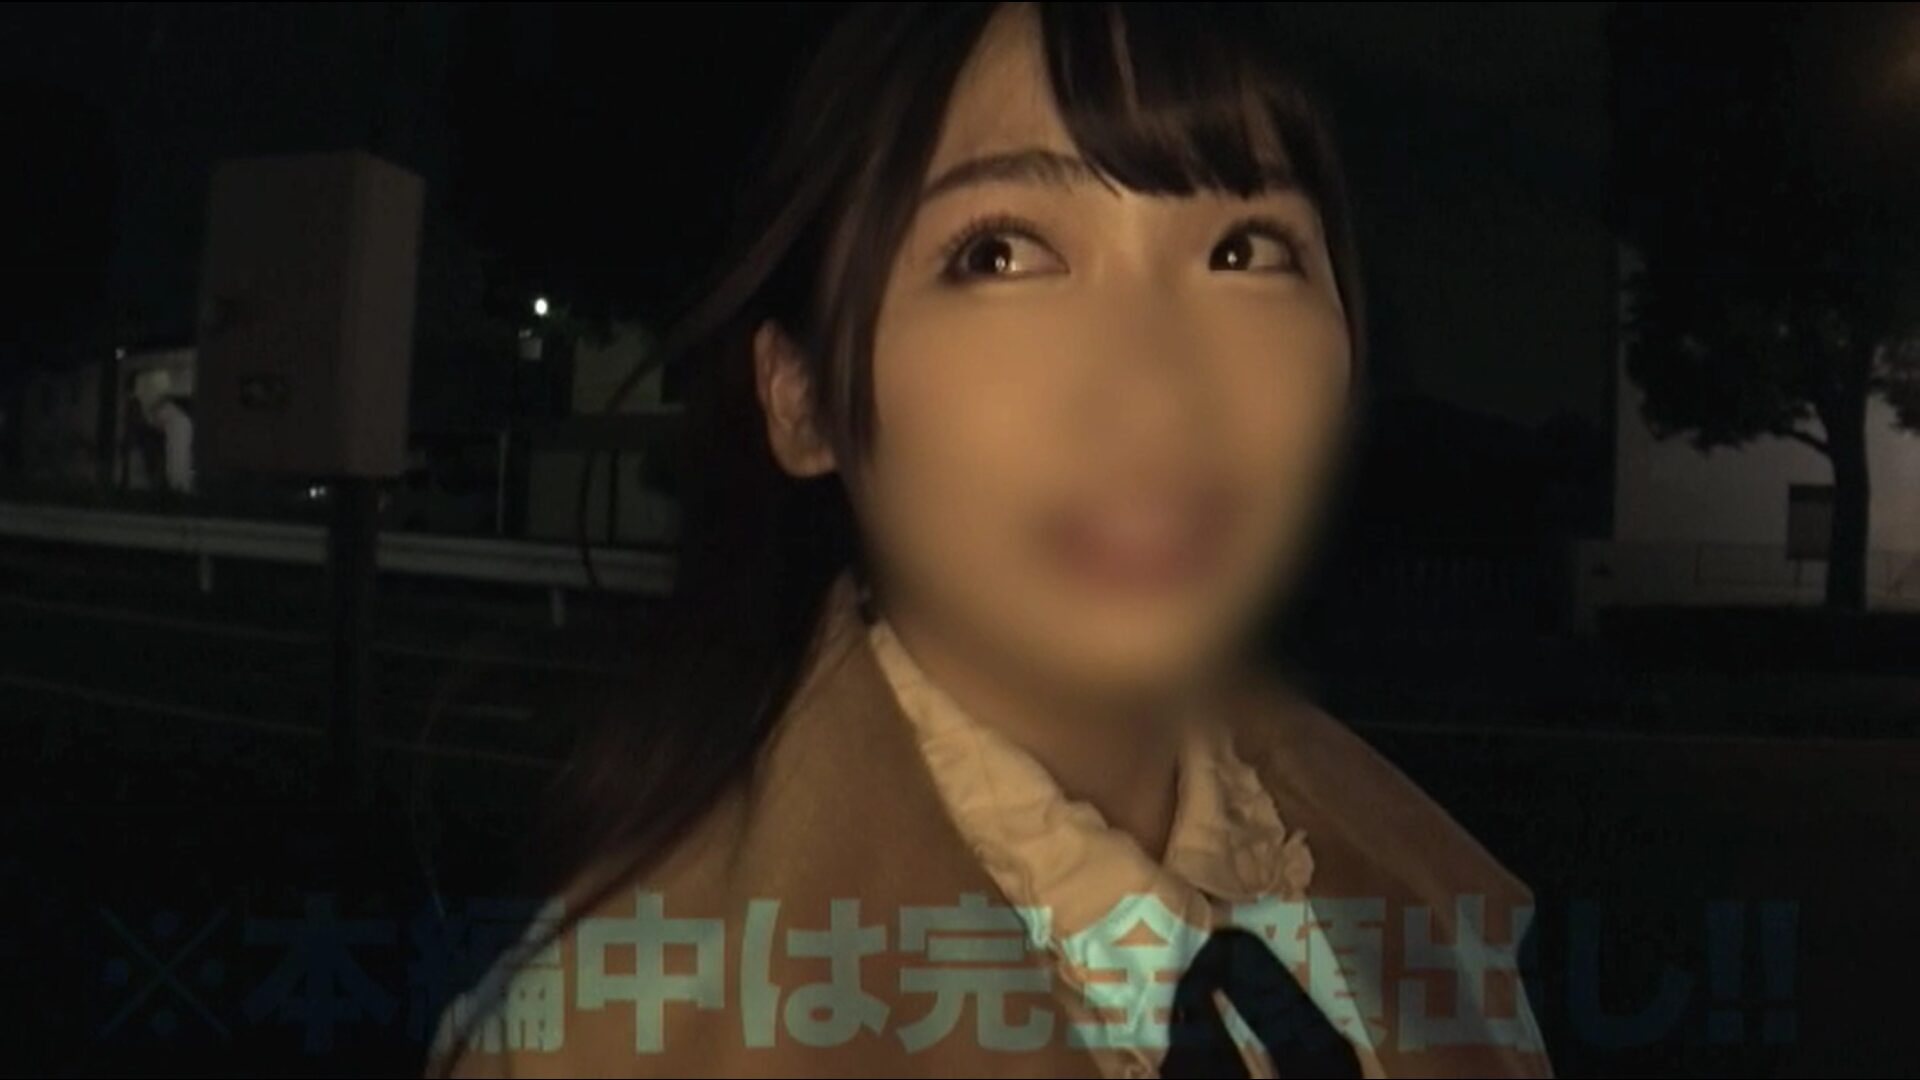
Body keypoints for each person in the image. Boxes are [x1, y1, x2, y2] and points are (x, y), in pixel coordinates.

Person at [431, 4, 1553, 1077]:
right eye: (1001, 255)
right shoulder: (608, 1039)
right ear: (804, 397)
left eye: (1246, 249)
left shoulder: (1430, 912)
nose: (1157, 391)